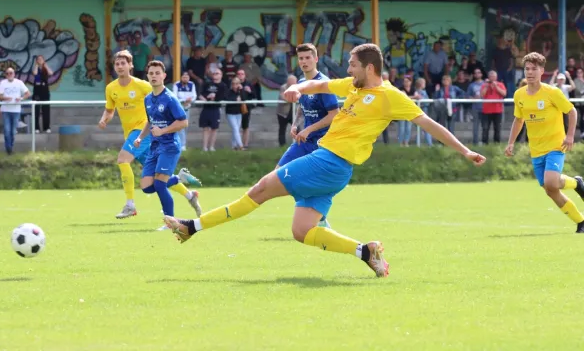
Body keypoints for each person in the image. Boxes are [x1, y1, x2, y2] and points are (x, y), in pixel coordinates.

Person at [163, 43, 486, 278]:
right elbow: (318, 83)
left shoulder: (391, 97)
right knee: (302, 231)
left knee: (260, 190)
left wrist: (465, 151)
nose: (348, 70)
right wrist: (298, 89)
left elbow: (430, 124)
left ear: (369, 68)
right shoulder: (355, 88)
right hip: (333, 168)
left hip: (329, 163)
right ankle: (365, 251)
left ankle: (192, 227)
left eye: (352, 65)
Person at [99, 50, 201, 219]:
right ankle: (189, 194)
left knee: (123, 160)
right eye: (117, 63)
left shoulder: (142, 85)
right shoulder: (111, 88)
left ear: (131, 65)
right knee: (156, 179)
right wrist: (104, 119)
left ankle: (130, 204)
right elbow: (109, 111)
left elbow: (162, 95)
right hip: (133, 136)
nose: (120, 66)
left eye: (123, 63)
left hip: (143, 131)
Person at [505, 52, 584, 233]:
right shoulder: (519, 95)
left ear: (542, 71)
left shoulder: (552, 92)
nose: (530, 72)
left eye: (534, 69)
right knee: (550, 189)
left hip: (556, 145)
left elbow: (572, 112)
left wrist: (570, 136)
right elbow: (518, 120)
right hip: (536, 149)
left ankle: (578, 185)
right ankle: (580, 217)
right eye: (527, 69)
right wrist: (511, 143)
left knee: (551, 182)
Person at [277, 43, 339, 228]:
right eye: (301, 58)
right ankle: (318, 215)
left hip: (321, 143)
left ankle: (318, 214)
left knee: (301, 179)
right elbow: (303, 109)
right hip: (303, 139)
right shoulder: (301, 84)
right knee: (278, 174)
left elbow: (334, 114)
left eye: (307, 58)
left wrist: (309, 129)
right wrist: (296, 124)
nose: (304, 61)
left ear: (316, 59)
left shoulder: (324, 84)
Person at [134, 61, 198, 226]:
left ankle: (171, 222)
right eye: (151, 73)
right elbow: (150, 121)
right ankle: (179, 178)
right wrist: (141, 137)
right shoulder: (148, 98)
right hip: (154, 147)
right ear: (147, 76)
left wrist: (162, 131)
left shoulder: (170, 98)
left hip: (169, 146)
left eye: (157, 73)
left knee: (160, 185)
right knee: (147, 187)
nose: (154, 76)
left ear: (164, 76)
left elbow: (183, 122)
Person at [0, 68, 31, 155]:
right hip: (5, 110)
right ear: (5, 74)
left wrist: (21, 98)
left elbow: (28, 93)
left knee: (13, 131)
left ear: (14, 73)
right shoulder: (3, 83)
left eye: (11, 73)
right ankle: (8, 148)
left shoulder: (19, 82)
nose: (9, 74)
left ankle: (10, 147)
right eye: (7, 73)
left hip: (16, 110)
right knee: (7, 130)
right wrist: (5, 98)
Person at [172, 71, 197, 152]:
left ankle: (182, 143)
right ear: (181, 77)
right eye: (184, 77)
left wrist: (190, 100)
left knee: (185, 126)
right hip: (179, 107)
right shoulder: (176, 84)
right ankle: (182, 145)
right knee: (181, 126)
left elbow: (194, 95)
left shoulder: (191, 84)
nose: (185, 79)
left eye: (187, 77)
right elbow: (174, 96)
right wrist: (184, 100)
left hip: (187, 107)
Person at [31, 55, 53, 133]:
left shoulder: (45, 68)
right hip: (37, 90)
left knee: (46, 109)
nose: (40, 60)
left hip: (45, 90)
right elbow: (35, 73)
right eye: (38, 59)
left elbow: (51, 73)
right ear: (36, 61)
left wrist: (45, 65)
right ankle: (36, 127)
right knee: (36, 109)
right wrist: (37, 65)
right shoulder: (35, 67)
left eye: (41, 59)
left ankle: (47, 127)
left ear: (44, 60)